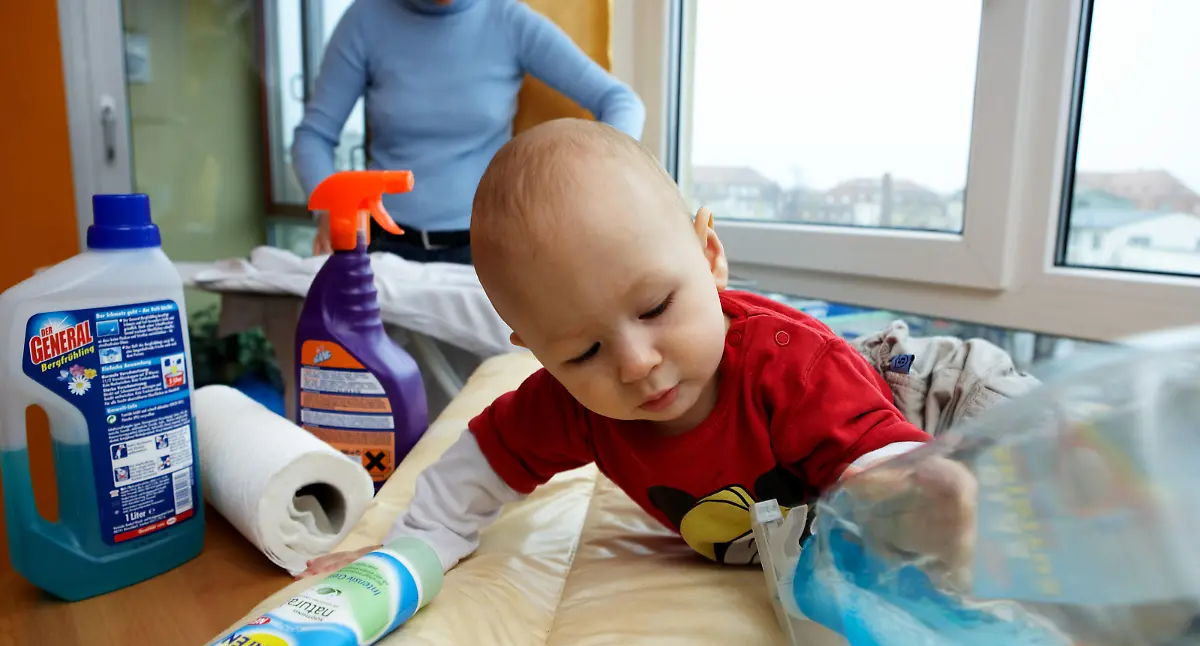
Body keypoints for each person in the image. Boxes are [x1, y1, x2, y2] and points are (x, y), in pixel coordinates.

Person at [299, 119, 977, 579]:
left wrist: (909, 491)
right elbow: (474, 469)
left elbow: (872, 453)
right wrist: (399, 558)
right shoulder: (571, 405)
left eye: (655, 307)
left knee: (1009, 472)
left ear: (710, 256)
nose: (634, 362)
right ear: (536, 352)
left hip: (919, 388)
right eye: (582, 351)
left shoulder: (791, 367)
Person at [292, 0, 646, 263]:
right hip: (384, 250)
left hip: (487, 252)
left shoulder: (509, 21)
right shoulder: (365, 20)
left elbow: (621, 102)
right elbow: (314, 136)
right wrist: (331, 208)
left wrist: (591, 184)